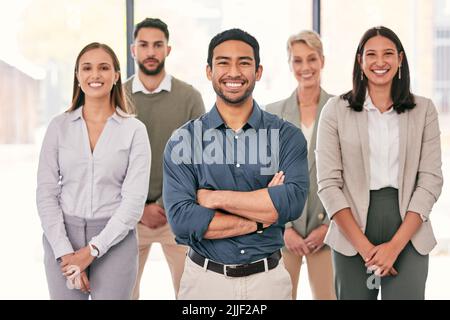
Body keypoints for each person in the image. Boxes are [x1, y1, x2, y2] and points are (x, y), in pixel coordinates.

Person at [163, 28, 309, 300]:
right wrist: (261, 218)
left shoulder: (287, 136)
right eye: (223, 63)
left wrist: (214, 198)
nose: (234, 72)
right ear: (209, 71)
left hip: (269, 283)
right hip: (204, 284)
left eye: (244, 62)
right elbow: (183, 222)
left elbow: (291, 203)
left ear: (258, 71)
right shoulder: (183, 141)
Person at [315, 26, 443, 300]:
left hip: (409, 227)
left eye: (388, 54)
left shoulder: (424, 111)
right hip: (352, 230)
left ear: (399, 60)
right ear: (360, 61)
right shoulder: (335, 111)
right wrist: (365, 248)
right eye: (371, 54)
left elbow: (430, 180)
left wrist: (394, 247)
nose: (380, 61)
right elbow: (328, 184)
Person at [36, 42, 151, 300]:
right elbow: (46, 192)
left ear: (116, 75)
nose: (95, 75)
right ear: (77, 76)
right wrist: (67, 253)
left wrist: (91, 251)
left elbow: (133, 202)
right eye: (87, 68)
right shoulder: (58, 127)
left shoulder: (134, 131)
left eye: (103, 68)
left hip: (115, 240)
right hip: (62, 237)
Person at [123, 18, 205, 300]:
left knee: (191, 296)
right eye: (144, 45)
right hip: (128, 217)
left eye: (158, 45)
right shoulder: (116, 97)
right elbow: (109, 164)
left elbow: (200, 161)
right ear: (133, 50)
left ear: (168, 50)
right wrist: (139, 208)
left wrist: (165, 205)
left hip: (178, 215)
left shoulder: (189, 97)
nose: (151, 52)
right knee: (124, 294)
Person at [266, 30, 335, 300]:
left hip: (327, 232)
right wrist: (285, 228)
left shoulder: (341, 109)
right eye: (297, 61)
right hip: (285, 234)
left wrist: (329, 226)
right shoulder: (272, 114)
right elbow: (266, 177)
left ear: (322, 61)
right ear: (290, 64)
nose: (305, 68)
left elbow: (351, 176)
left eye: (311, 59)